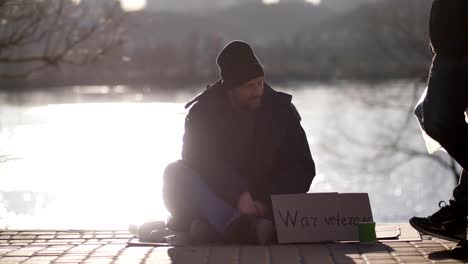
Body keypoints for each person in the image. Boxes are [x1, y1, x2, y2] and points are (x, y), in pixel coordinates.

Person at [162, 40, 316, 244]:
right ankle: (236, 225)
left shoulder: (282, 111)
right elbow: (198, 161)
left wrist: (263, 201)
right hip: (218, 196)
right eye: (249, 86)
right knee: (175, 172)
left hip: (266, 202)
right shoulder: (202, 113)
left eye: (260, 82)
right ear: (230, 89)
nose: (258, 90)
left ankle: (217, 227)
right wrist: (237, 194)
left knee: (201, 221)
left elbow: (302, 167)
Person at [410, 0, 468, 258]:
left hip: (457, 44)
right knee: (434, 118)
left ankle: (459, 215)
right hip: (450, 43)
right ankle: (459, 215)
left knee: (438, 119)